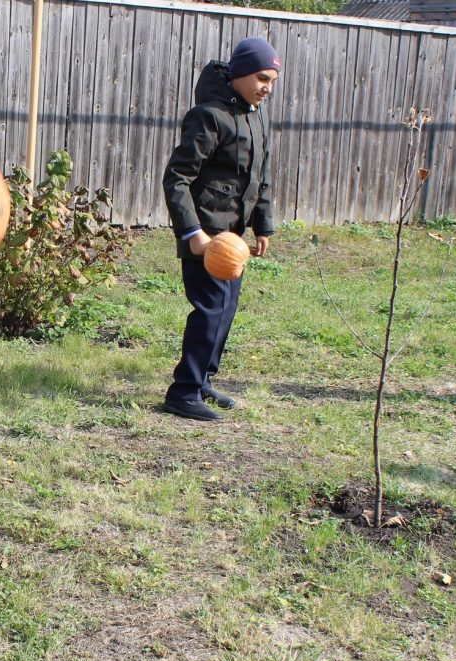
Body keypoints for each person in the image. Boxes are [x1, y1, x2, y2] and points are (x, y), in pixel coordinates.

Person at [162, 37, 282, 422]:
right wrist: (192, 233)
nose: (267, 87)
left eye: (273, 81)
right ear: (240, 73)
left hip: (234, 239)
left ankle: (203, 382)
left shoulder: (256, 116)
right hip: (206, 238)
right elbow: (177, 178)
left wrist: (262, 225)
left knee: (226, 309)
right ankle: (183, 392)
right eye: (262, 77)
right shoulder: (209, 116)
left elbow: (259, 177)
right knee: (210, 310)